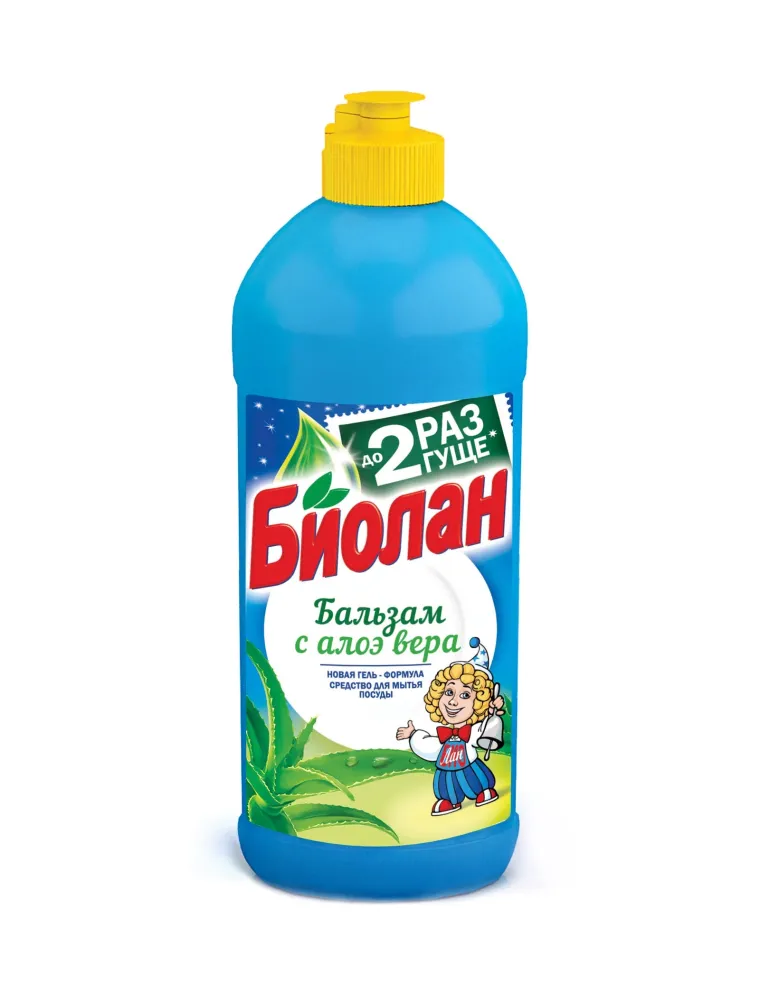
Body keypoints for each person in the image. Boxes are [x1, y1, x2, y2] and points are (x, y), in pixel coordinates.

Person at [396, 637, 505, 816]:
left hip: (468, 763)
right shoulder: (443, 734)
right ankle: (448, 800)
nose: (453, 702)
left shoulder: (472, 730)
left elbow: (484, 731)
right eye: (449, 692)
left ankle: (483, 791)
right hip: (446, 766)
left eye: (465, 695)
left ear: (479, 702)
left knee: (475, 775)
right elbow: (428, 744)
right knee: (445, 782)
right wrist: (413, 734)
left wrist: (492, 713)